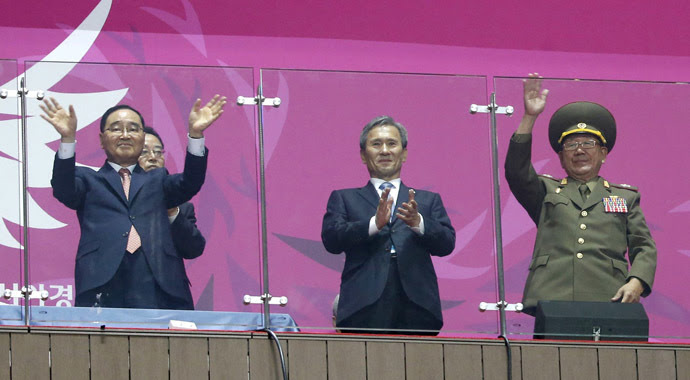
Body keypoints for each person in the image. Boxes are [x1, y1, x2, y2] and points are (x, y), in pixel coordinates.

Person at [41, 95, 226, 309]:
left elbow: (191, 182)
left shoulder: (159, 180)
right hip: (103, 285)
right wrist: (67, 140)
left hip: (160, 287)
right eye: (116, 128)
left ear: (141, 136)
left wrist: (195, 136)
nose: (125, 135)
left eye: (133, 129)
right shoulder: (88, 180)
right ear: (101, 139)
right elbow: (63, 189)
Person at [504, 73, 657, 316]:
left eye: (588, 144)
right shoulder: (546, 191)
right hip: (552, 297)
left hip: (609, 296)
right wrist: (529, 118)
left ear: (603, 153)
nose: (579, 150)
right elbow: (516, 171)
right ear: (561, 157)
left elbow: (644, 246)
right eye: (571, 145)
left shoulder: (625, 198)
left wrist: (637, 281)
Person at [321, 116, 456, 335]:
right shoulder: (344, 198)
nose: (385, 151)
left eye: (392, 144)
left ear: (404, 154)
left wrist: (418, 222)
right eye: (376, 144)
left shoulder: (428, 200)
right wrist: (374, 224)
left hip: (418, 305)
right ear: (364, 156)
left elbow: (447, 244)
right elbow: (331, 240)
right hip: (362, 305)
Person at [138, 126, 206, 286]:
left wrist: (172, 211)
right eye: (144, 152)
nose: (153, 158)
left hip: (167, 296)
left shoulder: (182, 207)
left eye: (158, 152)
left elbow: (194, 248)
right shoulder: (115, 200)